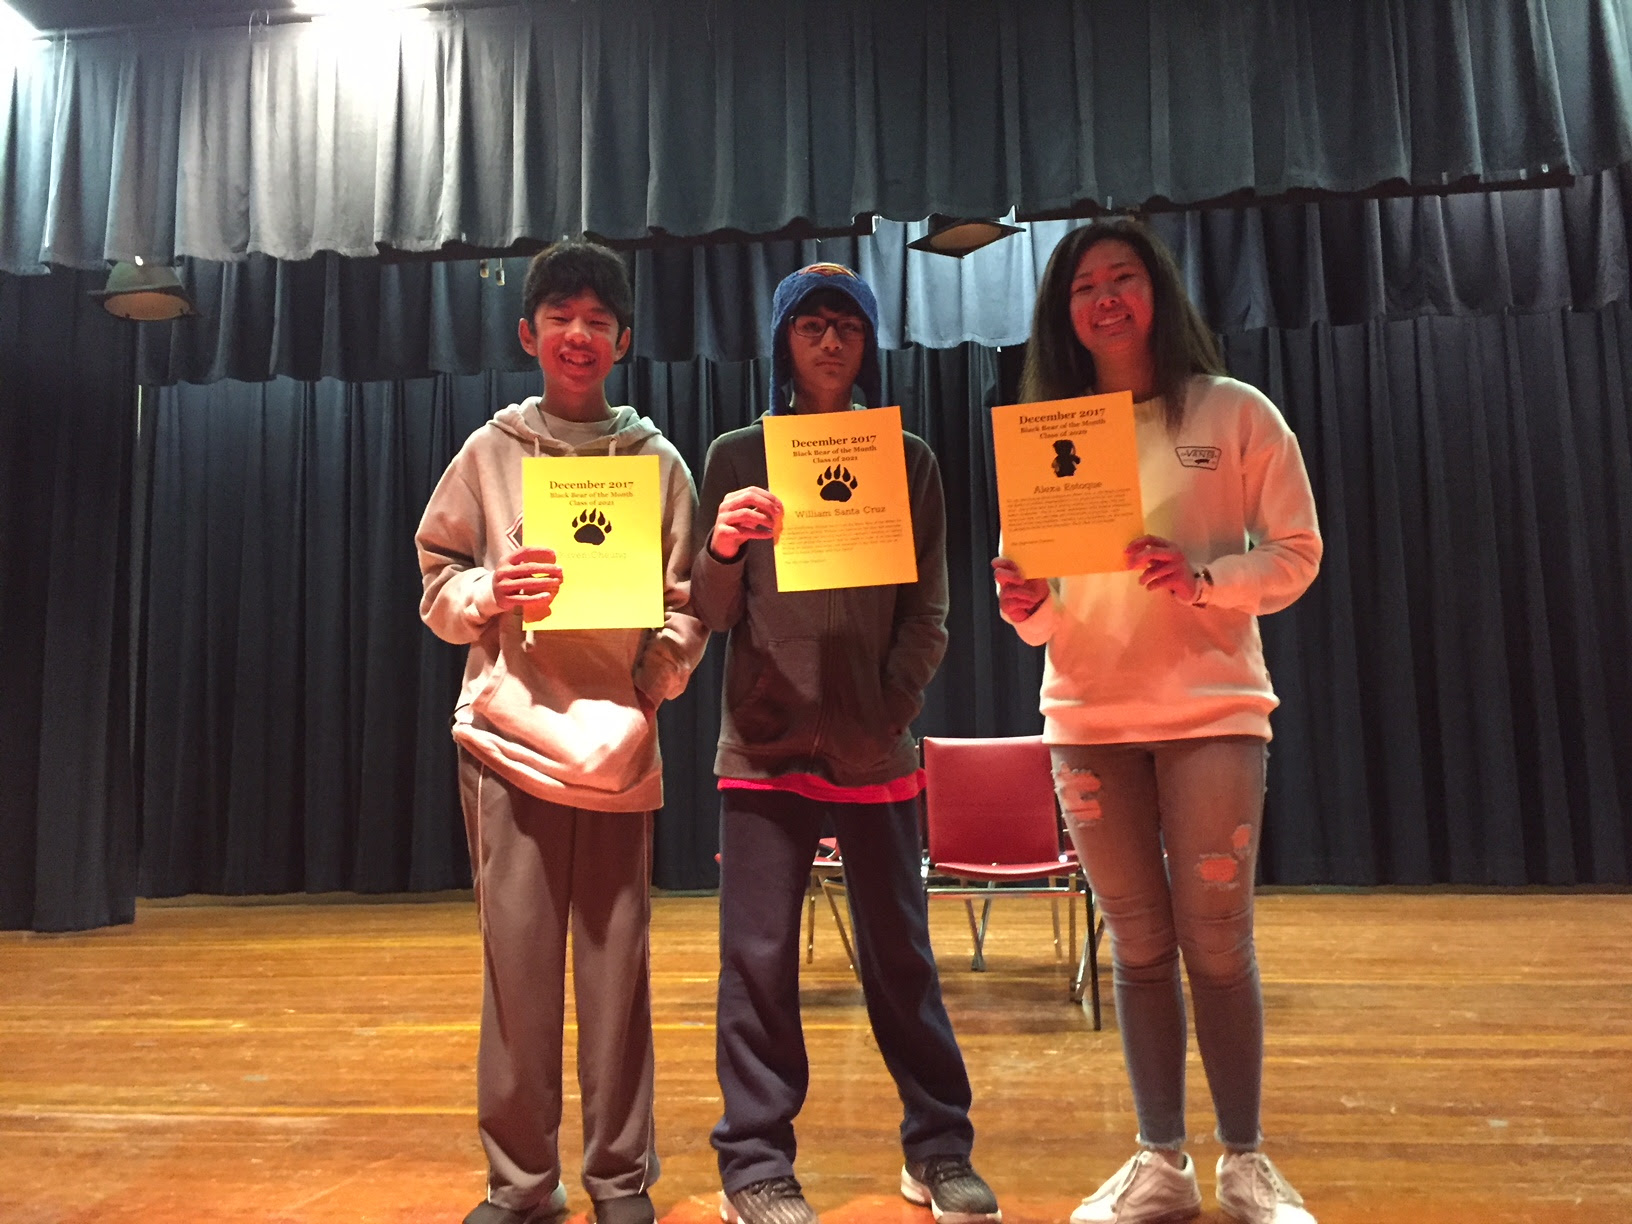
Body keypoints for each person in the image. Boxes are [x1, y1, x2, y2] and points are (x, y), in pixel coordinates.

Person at [992, 220, 1322, 1224]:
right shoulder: (1049, 433)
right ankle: (1159, 1160)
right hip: (1087, 717)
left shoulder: (1236, 412)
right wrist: (1024, 604)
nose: (1105, 298)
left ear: (1157, 291)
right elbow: (1041, 611)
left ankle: (1246, 1162)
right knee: (1136, 947)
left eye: (1122, 277)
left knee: (1216, 943)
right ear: (1065, 314)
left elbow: (1298, 553)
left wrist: (1205, 578)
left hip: (1213, 713)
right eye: (1084, 285)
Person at [690, 263, 1002, 1224]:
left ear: (868, 346)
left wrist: (888, 707)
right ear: (783, 342)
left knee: (902, 956)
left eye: (848, 328)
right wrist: (724, 548)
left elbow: (930, 610)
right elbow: (708, 610)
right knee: (757, 961)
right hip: (763, 747)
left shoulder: (907, 461)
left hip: (877, 749)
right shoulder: (737, 456)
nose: (830, 342)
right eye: (812, 326)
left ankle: (938, 1149)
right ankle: (754, 1163)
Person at [416, 240, 708, 1224]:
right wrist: (490, 590)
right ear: (528, 333)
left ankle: (620, 1179)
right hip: (507, 746)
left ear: (622, 341)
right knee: (519, 979)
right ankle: (521, 1185)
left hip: (617, 753)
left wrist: (652, 683)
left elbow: (687, 607)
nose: (578, 334)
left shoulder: (658, 463)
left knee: (617, 974)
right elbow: (437, 583)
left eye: (597, 320)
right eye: (560, 317)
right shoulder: (488, 453)